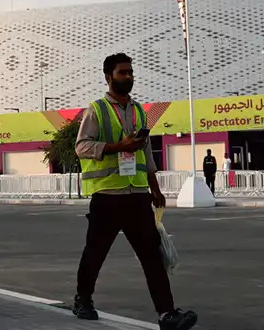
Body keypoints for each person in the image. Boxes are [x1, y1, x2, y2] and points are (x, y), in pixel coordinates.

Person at [72, 53, 197, 330]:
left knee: (152, 256)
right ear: (108, 77)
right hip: (107, 197)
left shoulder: (141, 111)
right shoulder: (97, 110)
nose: (128, 77)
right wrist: (118, 147)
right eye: (122, 73)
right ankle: (83, 299)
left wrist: (155, 189)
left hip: (138, 196)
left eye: (130, 72)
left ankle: (167, 314)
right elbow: (81, 147)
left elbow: (146, 154)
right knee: (95, 253)